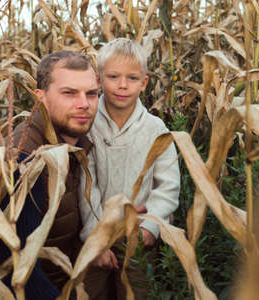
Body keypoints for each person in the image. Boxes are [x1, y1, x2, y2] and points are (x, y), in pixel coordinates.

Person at [0, 50, 100, 300]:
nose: (84, 104)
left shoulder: (76, 145)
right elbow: (15, 267)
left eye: (91, 93)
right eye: (69, 93)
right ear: (41, 98)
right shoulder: (22, 161)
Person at [79, 38, 181, 300]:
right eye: (113, 76)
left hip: (138, 234)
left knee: (136, 293)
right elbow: (85, 185)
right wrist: (95, 237)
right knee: (91, 292)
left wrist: (151, 226)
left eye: (132, 78)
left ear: (144, 83)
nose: (122, 85)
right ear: (99, 80)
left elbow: (168, 185)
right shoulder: (88, 125)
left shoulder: (155, 129)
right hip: (96, 231)